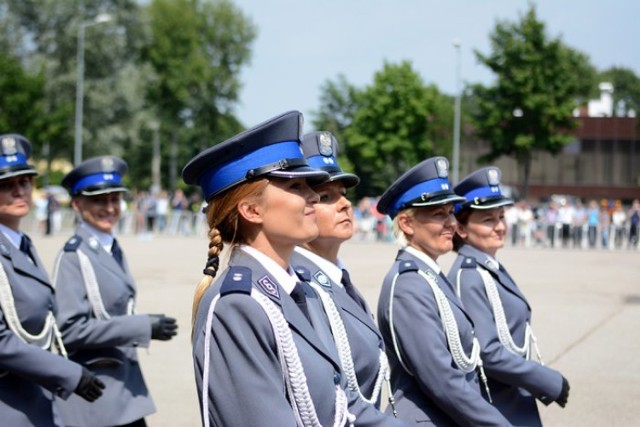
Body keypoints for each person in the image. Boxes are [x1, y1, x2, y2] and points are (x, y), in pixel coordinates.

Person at [182, 111, 406, 427]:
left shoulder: (300, 291)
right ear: (251, 209)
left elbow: (343, 401)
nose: (314, 196)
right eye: (296, 187)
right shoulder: (238, 305)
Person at [376, 156, 510, 426]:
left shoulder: (429, 275)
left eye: (450, 212)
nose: (451, 222)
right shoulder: (409, 285)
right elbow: (441, 379)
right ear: (407, 224)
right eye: (439, 214)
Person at [53, 156, 178, 427]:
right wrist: (141, 326)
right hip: (97, 394)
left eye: (114, 199)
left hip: (122, 387)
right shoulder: (75, 256)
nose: (109, 208)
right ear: (77, 204)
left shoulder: (109, 247)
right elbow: (69, 329)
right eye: (99, 200)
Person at [448, 166, 570, 426]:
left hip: (511, 396)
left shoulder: (487, 267)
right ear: (461, 228)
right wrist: (546, 380)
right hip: (495, 403)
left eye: (501, 217)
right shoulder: (469, 275)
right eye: (488, 220)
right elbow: (488, 352)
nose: (500, 226)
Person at [0, 134, 104, 426]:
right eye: (6, 185)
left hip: (33, 397)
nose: (19, 191)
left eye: (24, 182)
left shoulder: (22, 243)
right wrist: (67, 373)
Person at [290, 131, 389, 408]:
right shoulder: (299, 287)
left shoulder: (339, 277)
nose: (345, 204)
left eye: (343, 194)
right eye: (325, 197)